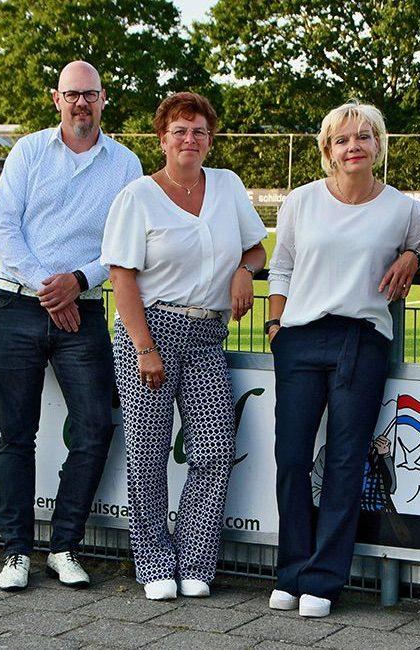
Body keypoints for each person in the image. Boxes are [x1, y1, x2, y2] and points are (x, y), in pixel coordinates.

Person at [102, 92, 267, 601]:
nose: (189, 139)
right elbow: (122, 276)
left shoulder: (227, 186)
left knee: (215, 449)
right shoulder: (138, 196)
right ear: (162, 139)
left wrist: (245, 271)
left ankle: (195, 559)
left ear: (210, 139)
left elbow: (256, 248)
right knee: (148, 453)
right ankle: (154, 561)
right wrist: (144, 347)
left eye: (198, 131)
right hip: (150, 330)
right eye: (179, 131)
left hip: (207, 334)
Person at [265, 102, 420, 618]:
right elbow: (282, 267)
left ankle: (324, 579)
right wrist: (276, 327)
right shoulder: (302, 201)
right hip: (299, 338)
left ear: (379, 144)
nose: (353, 146)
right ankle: (291, 571)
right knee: (292, 457)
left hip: (362, 338)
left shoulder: (405, 209)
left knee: (345, 460)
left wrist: (412, 255)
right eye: (342, 139)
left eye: (363, 136)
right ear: (327, 150)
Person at [0, 61, 143, 592]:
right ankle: (15, 551)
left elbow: (125, 244)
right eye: (72, 94)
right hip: (16, 306)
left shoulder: (125, 163)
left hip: (84, 308)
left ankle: (63, 547)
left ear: (103, 99)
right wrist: (48, 288)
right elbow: (4, 228)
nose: (81, 103)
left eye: (90, 95)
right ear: (57, 99)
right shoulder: (29, 151)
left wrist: (77, 281)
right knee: (16, 434)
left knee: (96, 425)